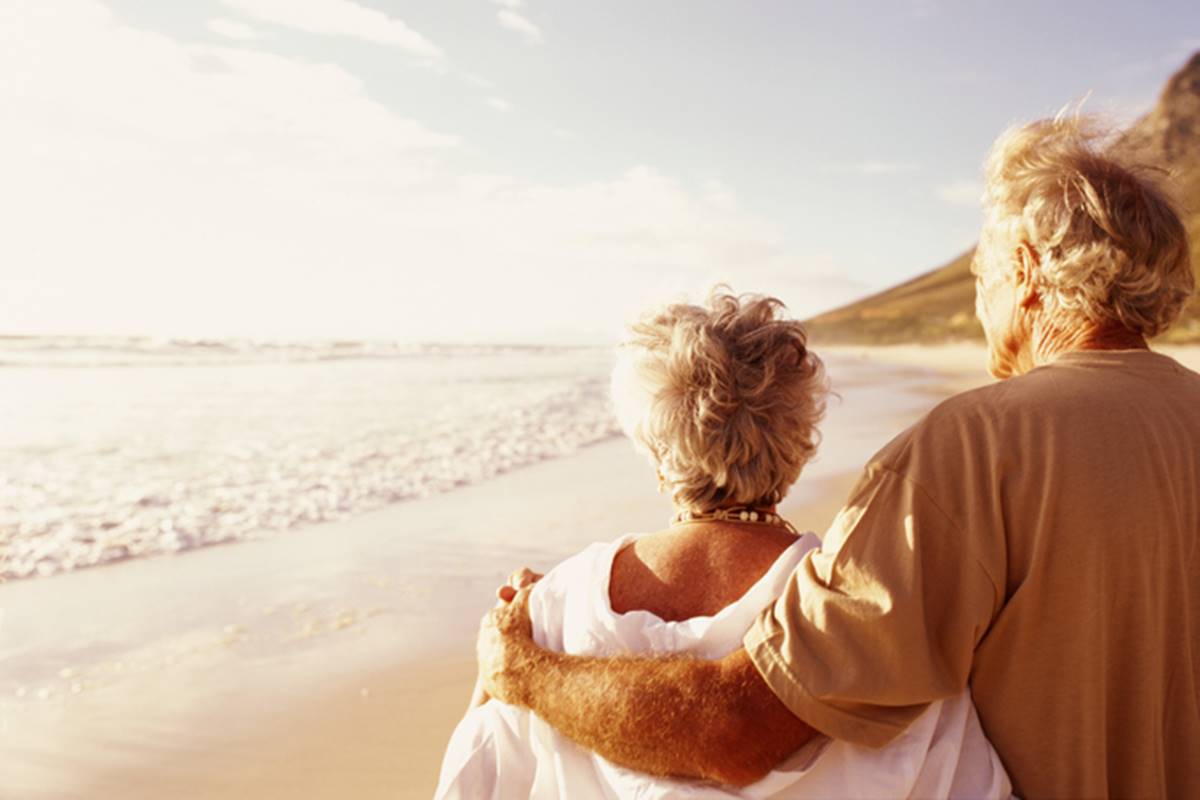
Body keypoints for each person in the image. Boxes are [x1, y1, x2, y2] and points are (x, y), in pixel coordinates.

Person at [476, 113, 1200, 798]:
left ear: (1026, 266)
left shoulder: (973, 449)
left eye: (982, 276)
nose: (982, 302)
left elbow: (741, 731)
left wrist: (528, 673)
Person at [438, 291, 1011, 798]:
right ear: (796, 447)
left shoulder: (546, 613)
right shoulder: (864, 615)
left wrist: (513, 649)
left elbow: (473, 783)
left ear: (656, 451)